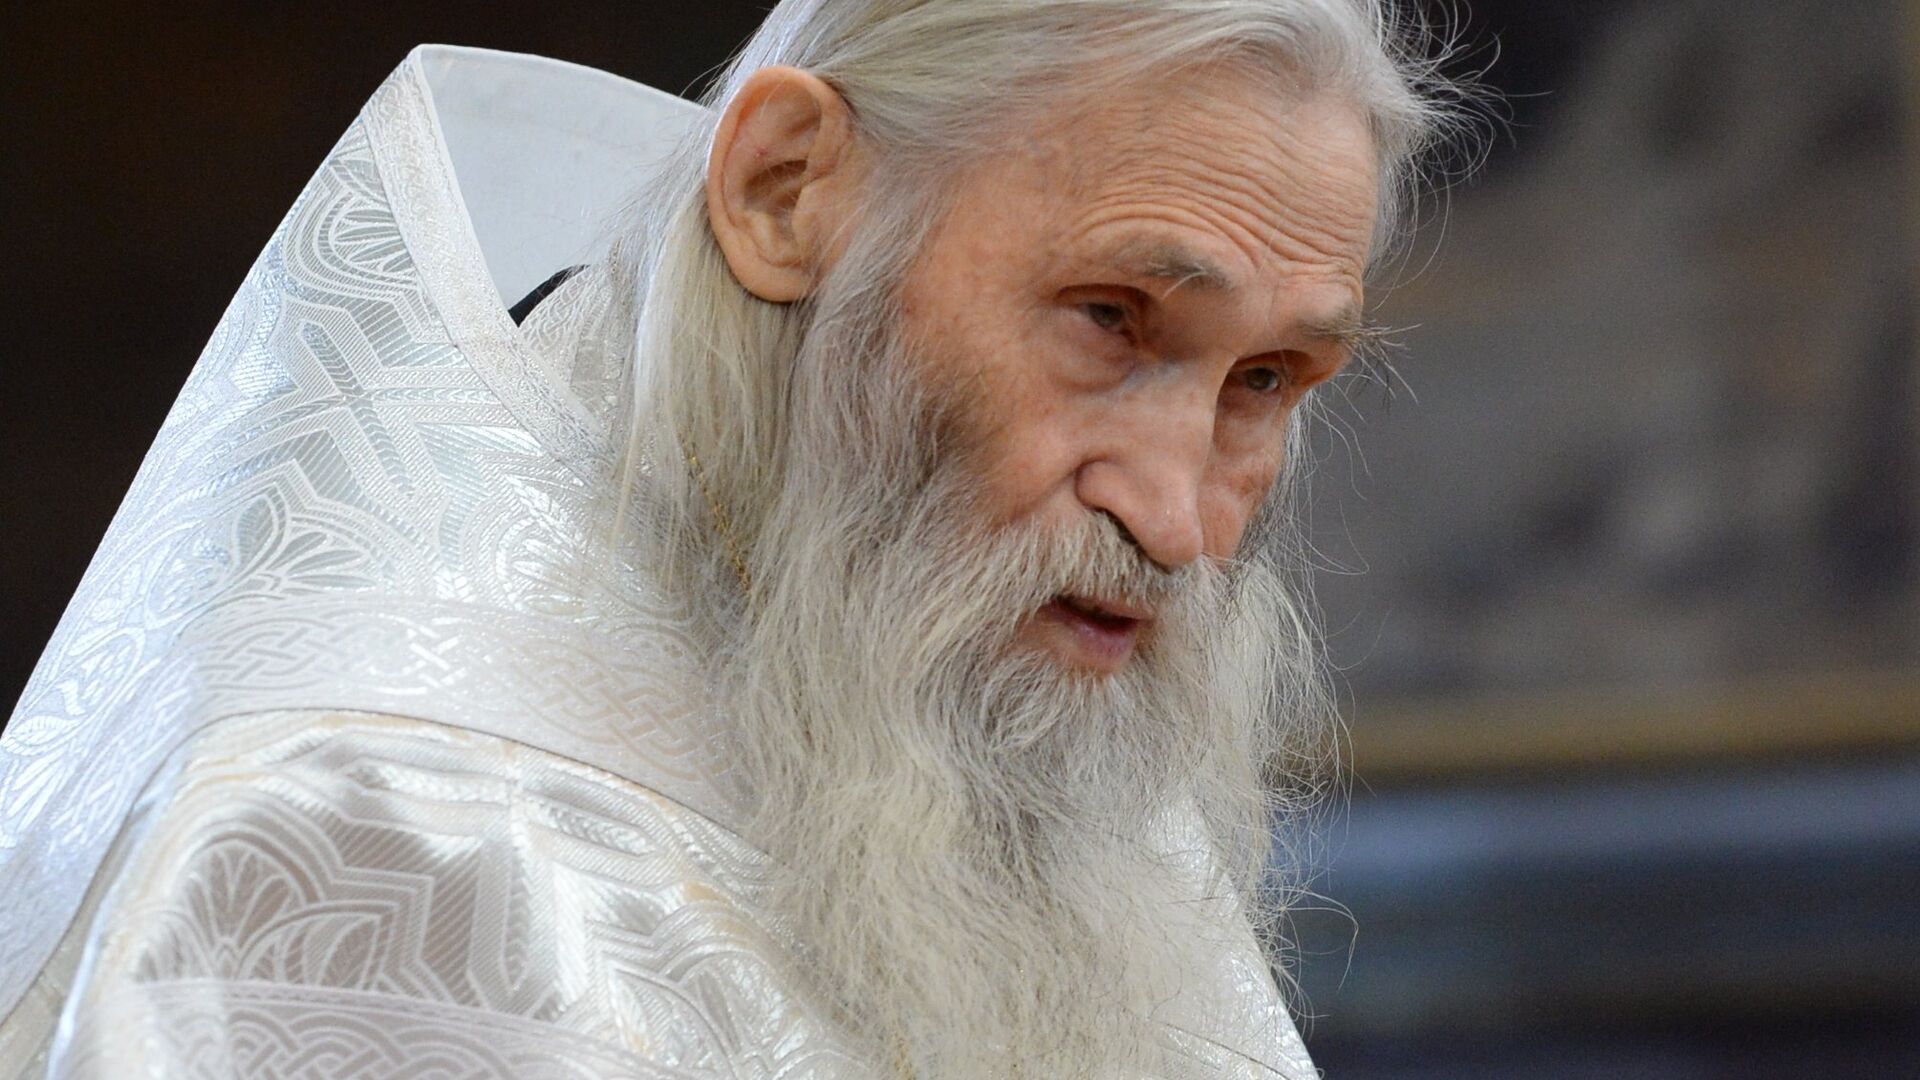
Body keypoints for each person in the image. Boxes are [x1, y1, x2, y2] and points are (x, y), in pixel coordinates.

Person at [0, 2, 1461, 1076]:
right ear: (784, 192)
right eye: (1108, 321)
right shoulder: (362, 837)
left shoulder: (992, 712)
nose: (1181, 519)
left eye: (1265, 382)